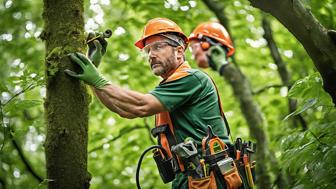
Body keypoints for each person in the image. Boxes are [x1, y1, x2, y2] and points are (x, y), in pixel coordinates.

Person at [64, 18, 230, 189]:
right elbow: (126, 110)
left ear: (179, 51)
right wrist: (93, 76)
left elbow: (140, 105)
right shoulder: (168, 89)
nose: (151, 55)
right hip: (192, 178)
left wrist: (97, 80)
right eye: (148, 50)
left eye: (158, 47)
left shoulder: (192, 78)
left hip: (212, 176)